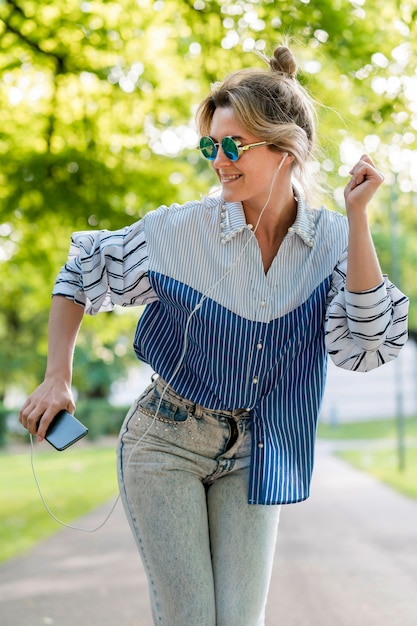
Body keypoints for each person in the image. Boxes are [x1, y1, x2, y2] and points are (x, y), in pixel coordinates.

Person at [19, 43, 409, 626]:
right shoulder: (182, 231)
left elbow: (369, 345)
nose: (218, 161)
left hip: (256, 449)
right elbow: (83, 270)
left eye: (233, 147)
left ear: (287, 151)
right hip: (164, 442)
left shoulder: (332, 241)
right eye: (210, 146)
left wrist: (358, 219)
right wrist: (57, 377)